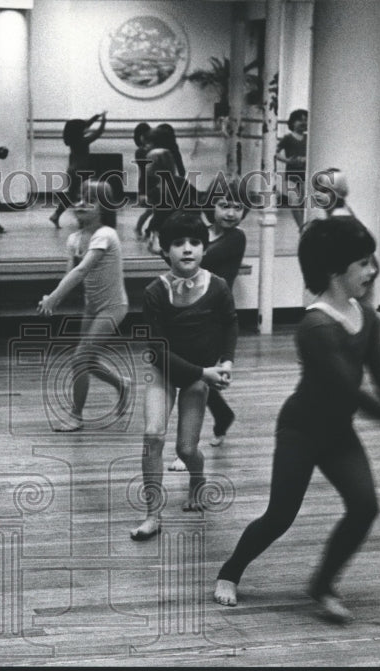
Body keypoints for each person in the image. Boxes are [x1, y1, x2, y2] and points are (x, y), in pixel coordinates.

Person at [213, 216, 380, 622]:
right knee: (280, 515)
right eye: (364, 263)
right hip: (301, 430)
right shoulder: (315, 326)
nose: (373, 270)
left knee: (365, 506)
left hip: (337, 433)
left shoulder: (364, 313)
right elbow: (346, 389)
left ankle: (322, 584)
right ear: (336, 271)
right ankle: (230, 571)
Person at [131, 211, 238, 541]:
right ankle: (152, 515)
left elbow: (231, 323)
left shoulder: (218, 287)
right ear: (165, 251)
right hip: (163, 371)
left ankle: (197, 479)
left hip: (197, 376)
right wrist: (204, 372)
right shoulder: (154, 291)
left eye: (194, 242)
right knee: (152, 436)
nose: (187, 249)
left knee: (186, 449)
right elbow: (158, 349)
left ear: (204, 249)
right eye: (178, 243)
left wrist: (227, 361)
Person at [37, 180, 130, 431]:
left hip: (113, 307)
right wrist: (54, 297)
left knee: (79, 359)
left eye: (90, 201)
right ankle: (121, 383)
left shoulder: (105, 235)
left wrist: (54, 298)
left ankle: (75, 416)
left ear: (104, 208)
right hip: (92, 308)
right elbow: (71, 273)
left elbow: (81, 270)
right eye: (79, 199)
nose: (80, 204)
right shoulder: (75, 238)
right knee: (87, 360)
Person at [168, 177, 248, 472]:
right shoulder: (202, 236)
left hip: (214, 319)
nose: (230, 213)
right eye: (224, 205)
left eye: (237, 208)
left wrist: (180, 243)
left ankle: (187, 449)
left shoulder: (235, 237)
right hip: (190, 315)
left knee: (192, 382)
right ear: (211, 206)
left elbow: (199, 260)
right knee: (196, 377)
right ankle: (223, 415)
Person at [310, 168, 380, 365]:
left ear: (333, 193)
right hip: (363, 266)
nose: (316, 195)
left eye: (321, 191)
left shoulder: (339, 217)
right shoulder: (340, 212)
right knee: (364, 311)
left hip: (362, 268)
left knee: (360, 311)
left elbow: (357, 245)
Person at [49, 112, 107, 228]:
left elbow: (85, 126)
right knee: (80, 196)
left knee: (73, 196)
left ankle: (58, 215)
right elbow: (98, 132)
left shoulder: (73, 139)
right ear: (79, 131)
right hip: (79, 172)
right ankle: (81, 220)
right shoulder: (83, 141)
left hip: (73, 169)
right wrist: (103, 121)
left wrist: (95, 118)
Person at [277, 109, 308, 230]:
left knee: (304, 202)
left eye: (305, 120)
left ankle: (306, 225)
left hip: (306, 173)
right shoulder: (288, 138)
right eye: (300, 120)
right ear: (293, 122)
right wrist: (288, 161)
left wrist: (306, 158)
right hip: (292, 173)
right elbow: (276, 153)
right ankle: (302, 227)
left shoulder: (308, 138)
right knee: (294, 202)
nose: (303, 123)